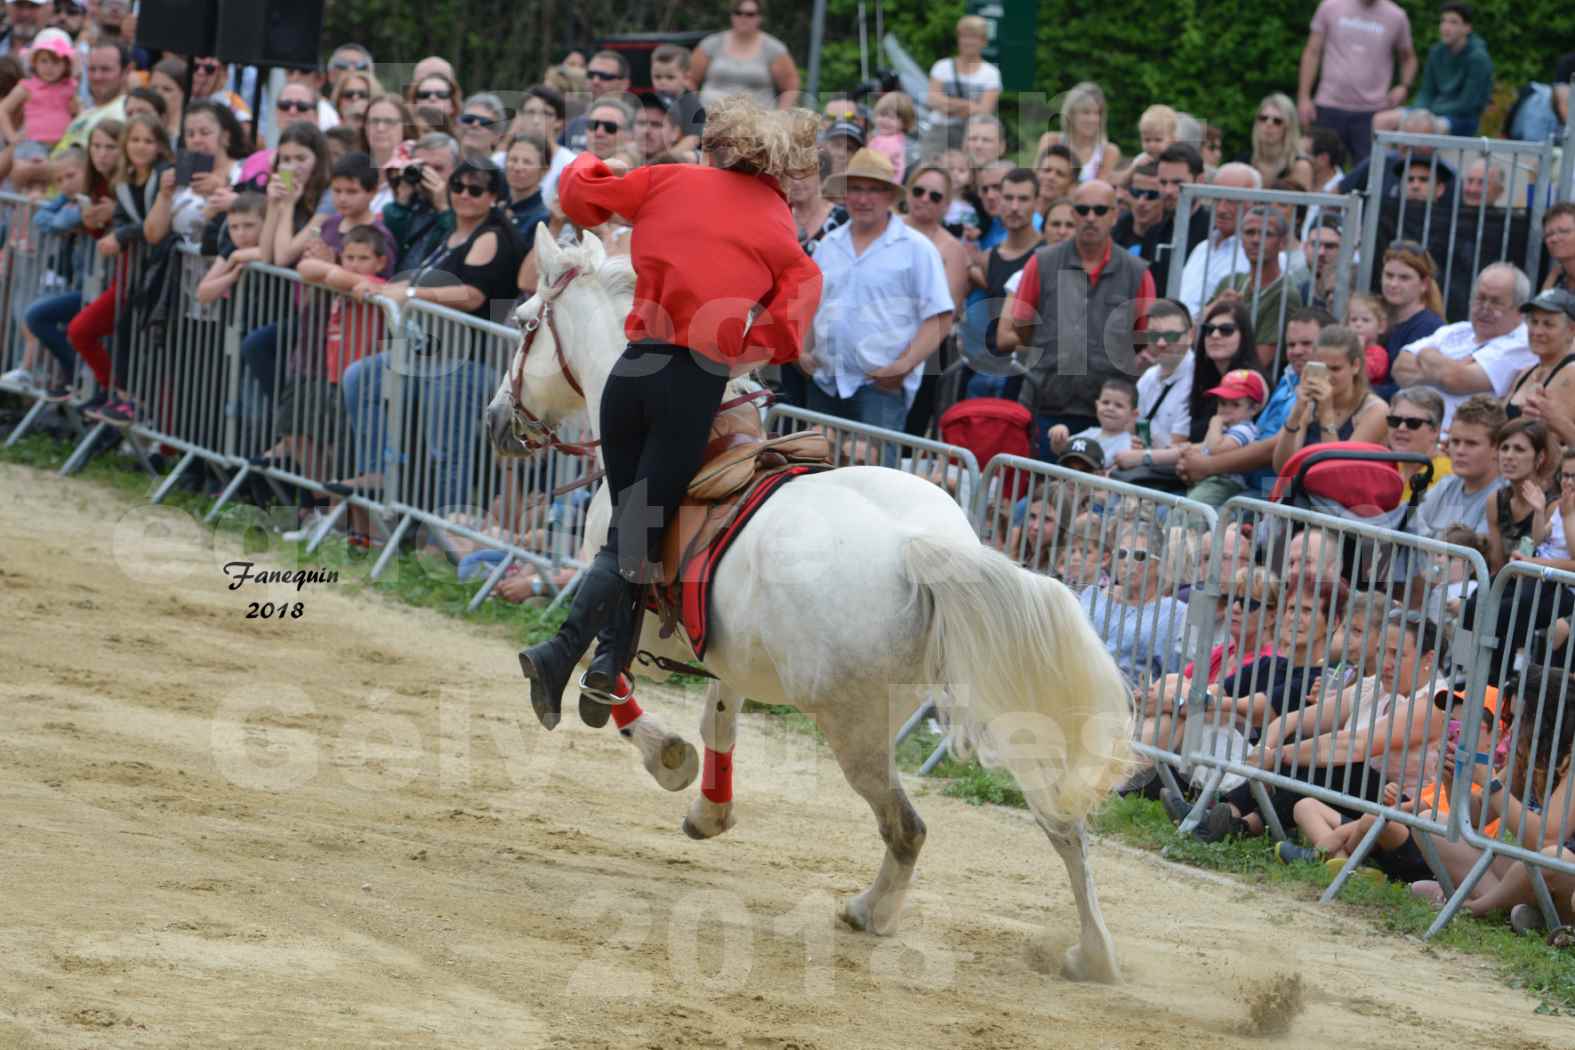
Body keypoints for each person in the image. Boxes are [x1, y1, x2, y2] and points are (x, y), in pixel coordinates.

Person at [516, 96, 822, 728]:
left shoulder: (668, 179)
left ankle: (608, 665)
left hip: (631, 374)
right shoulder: (778, 225)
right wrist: (737, 347)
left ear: (715, 147)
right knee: (636, 531)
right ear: (780, 167)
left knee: (637, 526)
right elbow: (791, 328)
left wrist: (612, 164)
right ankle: (561, 652)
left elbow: (578, 193)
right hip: (691, 383)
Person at [1003, 179, 1155, 460]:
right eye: (1083, 210)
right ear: (1073, 214)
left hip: (1107, 415)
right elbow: (1022, 327)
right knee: (1041, 491)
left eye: (1099, 210)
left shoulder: (1137, 272)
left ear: (1114, 215)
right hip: (1045, 404)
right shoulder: (1042, 262)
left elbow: (1142, 337)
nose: (1090, 218)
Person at [807, 147, 952, 431]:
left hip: (880, 389)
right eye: (856, 189)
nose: (863, 199)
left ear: (889, 196)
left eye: (873, 190)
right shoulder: (828, 245)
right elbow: (810, 303)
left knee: (874, 473)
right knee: (821, 472)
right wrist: (803, 351)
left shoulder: (916, 248)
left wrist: (903, 365)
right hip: (825, 383)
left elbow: (940, 316)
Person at [1389, 262, 1533, 434]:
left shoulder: (1522, 343)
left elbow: (1456, 379)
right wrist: (1449, 369)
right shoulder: (1457, 330)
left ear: (1519, 310)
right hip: (1408, 432)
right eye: (1480, 298)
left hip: (1454, 444)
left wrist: (1426, 355)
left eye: (1496, 302)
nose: (1484, 308)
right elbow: (1399, 367)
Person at [1297, 0, 1417, 165]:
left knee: (1369, 174)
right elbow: (1312, 51)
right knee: (1317, 167)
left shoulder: (1397, 16)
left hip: (1372, 112)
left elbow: (1408, 57)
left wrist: (1404, 86)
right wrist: (1304, 97)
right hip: (1329, 104)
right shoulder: (1330, 6)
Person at [964, 166, 1038, 399]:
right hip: (985, 369)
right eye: (1009, 197)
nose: (1015, 207)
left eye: (1023, 199)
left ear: (1036, 202)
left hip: (1024, 373)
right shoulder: (989, 256)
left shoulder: (1046, 255)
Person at [1274, 324, 1389, 470]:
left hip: (1346, 491)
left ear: (1355, 366)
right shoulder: (1309, 404)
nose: (1327, 376)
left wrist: (1326, 414)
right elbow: (1281, 469)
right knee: (1268, 488)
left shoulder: (1376, 410)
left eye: (1335, 368)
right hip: (1302, 487)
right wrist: (1296, 414)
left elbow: (1338, 473)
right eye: (1322, 367)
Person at [1375, 3, 1492, 137]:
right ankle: (1390, 158)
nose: (1446, 27)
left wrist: (1429, 112)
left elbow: (1467, 104)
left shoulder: (1478, 58)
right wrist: (1418, 111)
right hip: (1431, 111)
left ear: (1467, 28)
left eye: (1453, 22)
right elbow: (1426, 92)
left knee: (1419, 128)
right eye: (1443, 21)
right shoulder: (1436, 52)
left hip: (1461, 119)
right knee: (1381, 120)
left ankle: (1409, 157)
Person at [1210, 206, 1305, 368]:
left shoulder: (1285, 294)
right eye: (1249, 233)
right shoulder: (1230, 281)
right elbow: (1195, 337)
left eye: (1266, 234)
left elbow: (1259, 361)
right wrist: (1216, 307)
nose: (1255, 240)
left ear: (1282, 243)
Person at [1112, 299, 1194, 470]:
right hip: (1143, 470)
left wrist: (1142, 454)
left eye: (1171, 335)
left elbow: (1178, 448)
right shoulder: (1148, 376)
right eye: (1154, 335)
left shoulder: (1197, 379)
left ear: (1190, 335)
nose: (1161, 343)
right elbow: (1132, 429)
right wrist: (1134, 442)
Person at [1175, 162, 1262, 318]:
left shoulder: (1256, 254)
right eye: (1216, 198)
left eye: (1232, 200)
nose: (1221, 209)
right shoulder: (1202, 248)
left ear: (1255, 203)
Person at [1413, 392, 1505, 538]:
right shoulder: (1445, 485)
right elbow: (1409, 526)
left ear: (1497, 448)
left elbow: (1478, 553)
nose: (1460, 451)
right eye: (1455, 442)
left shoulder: (1503, 497)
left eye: (1471, 443)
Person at [1484, 418, 1560, 575]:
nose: (1508, 456)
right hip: (1506, 587)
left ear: (1540, 457)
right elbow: (1497, 566)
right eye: (1504, 448)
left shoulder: (1553, 505)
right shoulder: (1495, 501)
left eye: (1519, 449)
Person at [691, 1, 799, 110]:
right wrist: (692, 111)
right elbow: (691, 80)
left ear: (759, 17)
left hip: (756, 121)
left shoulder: (773, 49)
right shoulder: (711, 44)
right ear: (731, 16)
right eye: (738, 13)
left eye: (750, 14)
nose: (743, 18)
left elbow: (790, 88)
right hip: (710, 118)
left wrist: (780, 117)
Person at [924, 14, 1000, 151]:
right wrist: (968, 105)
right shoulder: (941, 66)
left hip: (972, 137)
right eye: (964, 36)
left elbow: (985, 110)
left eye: (973, 37)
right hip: (939, 135)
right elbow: (932, 100)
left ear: (984, 41)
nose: (968, 42)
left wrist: (947, 105)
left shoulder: (991, 73)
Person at [0, 26, 76, 147]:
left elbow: (79, 113)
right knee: (26, 166)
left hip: (63, 145)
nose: (49, 67)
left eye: (56, 62)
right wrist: (12, 136)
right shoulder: (27, 87)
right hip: (33, 145)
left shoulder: (71, 86)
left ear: (66, 65)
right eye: (44, 61)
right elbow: (3, 109)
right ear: (34, 62)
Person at [1379, 240, 1445, 374]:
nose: (1393, 284)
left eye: (1404, 278)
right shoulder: (1375, 316)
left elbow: (1408, 386)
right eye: (1389, 275)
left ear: (1424, 284)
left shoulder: (1429, 327)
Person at [1036, 81, 1120, 184]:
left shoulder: (1108, 151)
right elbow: (1035, 179)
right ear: (1071, 114)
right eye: (1086, 112)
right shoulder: (1051, 140)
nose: (1093, 119)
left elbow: (1098, 190)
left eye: (1097, 113)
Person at [50, 40, 124, 154]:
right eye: (92, 69)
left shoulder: (122, 111)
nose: (97, 76)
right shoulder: (85, 112)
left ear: (126, 71)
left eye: (105, 69)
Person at [1048, 377, 1139, 463]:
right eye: (1105, 402)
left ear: (1133, 415)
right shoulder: (1090, 433)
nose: (1110, 408)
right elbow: (1061, 451)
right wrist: (1058, 437)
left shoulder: (1130, 445)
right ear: (1097, 405)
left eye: (1119, 405)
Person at [1385, 386, 1445, 490]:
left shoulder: (1446, 477)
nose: (1401, 428)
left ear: (1435, 431)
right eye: (1395, 420)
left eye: (1413, 423)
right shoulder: (1385, 467)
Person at [501, 133, 550, 260]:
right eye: (513, 159)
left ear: (544, 170)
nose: (517, 167)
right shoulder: (496, 207)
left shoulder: (543, 219)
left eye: (527, 162)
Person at [1242, 93, 1302, 186]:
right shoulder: (1243, 161)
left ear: (1289, 127)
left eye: (1277, 121)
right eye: (1263, 118)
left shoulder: (1300, 166)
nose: (1268, 124)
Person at [1542, 202, 1575, 295]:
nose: (1554, 239)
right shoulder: (1555, 277)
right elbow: (1542, 307)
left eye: (1564, 231)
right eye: (1548, 234)